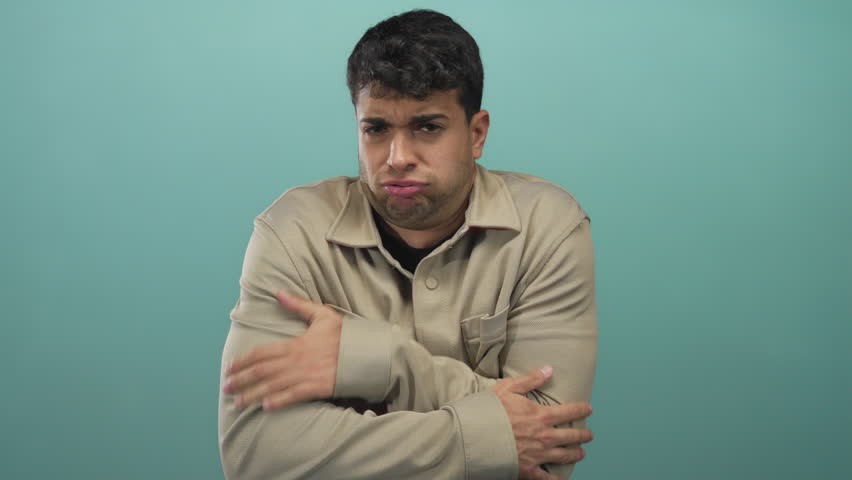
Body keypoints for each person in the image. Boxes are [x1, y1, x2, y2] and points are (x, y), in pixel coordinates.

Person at [218, 9, 597, 480]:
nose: (397, 158)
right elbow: (256, 457)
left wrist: (382, 363)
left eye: (427, 126)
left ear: (476, 134)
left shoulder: (547, 226)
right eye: (376, 129)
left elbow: (549, 448)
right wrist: (487, 439)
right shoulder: (292, 232)